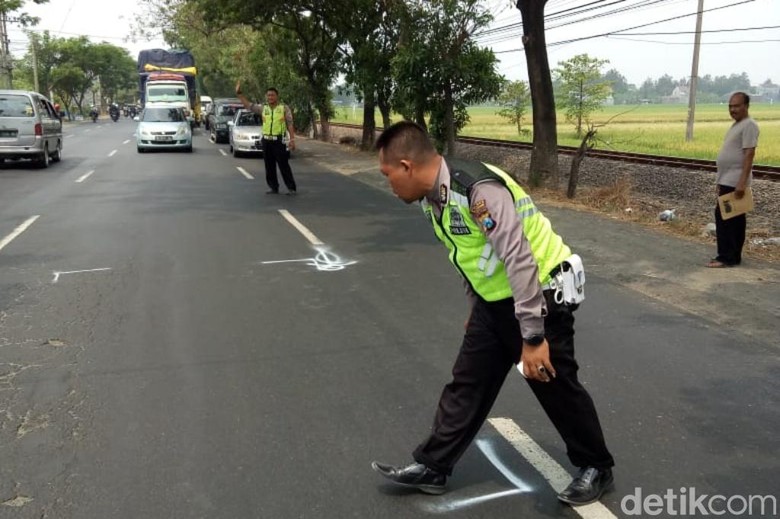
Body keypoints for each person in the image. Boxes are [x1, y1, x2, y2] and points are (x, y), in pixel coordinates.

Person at [370, 121, 615, 506]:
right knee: (467, 383)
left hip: (540, 295)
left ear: (407, 166)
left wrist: (533, 337)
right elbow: (468, 255)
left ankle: (596, 466)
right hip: (496, 302)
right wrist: (476, 306)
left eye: (388, 176)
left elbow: (518, 258)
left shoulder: (477, 191)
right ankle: (434, 465)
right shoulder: (434, 198)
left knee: (554, 383)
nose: (390, 185)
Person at [708, 92, 759, 268]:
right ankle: (732, 256)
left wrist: (742, 183)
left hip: (735, 181)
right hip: (727, 180)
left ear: (746, 106)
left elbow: (749, 154)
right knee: (732, 219)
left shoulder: (749, 125)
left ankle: (727, 257)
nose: (733, 109)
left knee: (726, 219)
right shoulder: (737, 125)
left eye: (736, 106)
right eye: (730, 106)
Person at [235, 81, 297, 195]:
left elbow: (290, 124)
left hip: (279, 141)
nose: (270, 97)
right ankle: (273, 187)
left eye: (272, 95)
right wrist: (240, 94)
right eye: (268, 95)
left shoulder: (284, 108)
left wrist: (292, 140)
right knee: (269, 165)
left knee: (283, 165)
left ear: (277, 96)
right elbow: (249, 105)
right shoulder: (263, 108)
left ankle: (291, 187)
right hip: (266, 141)